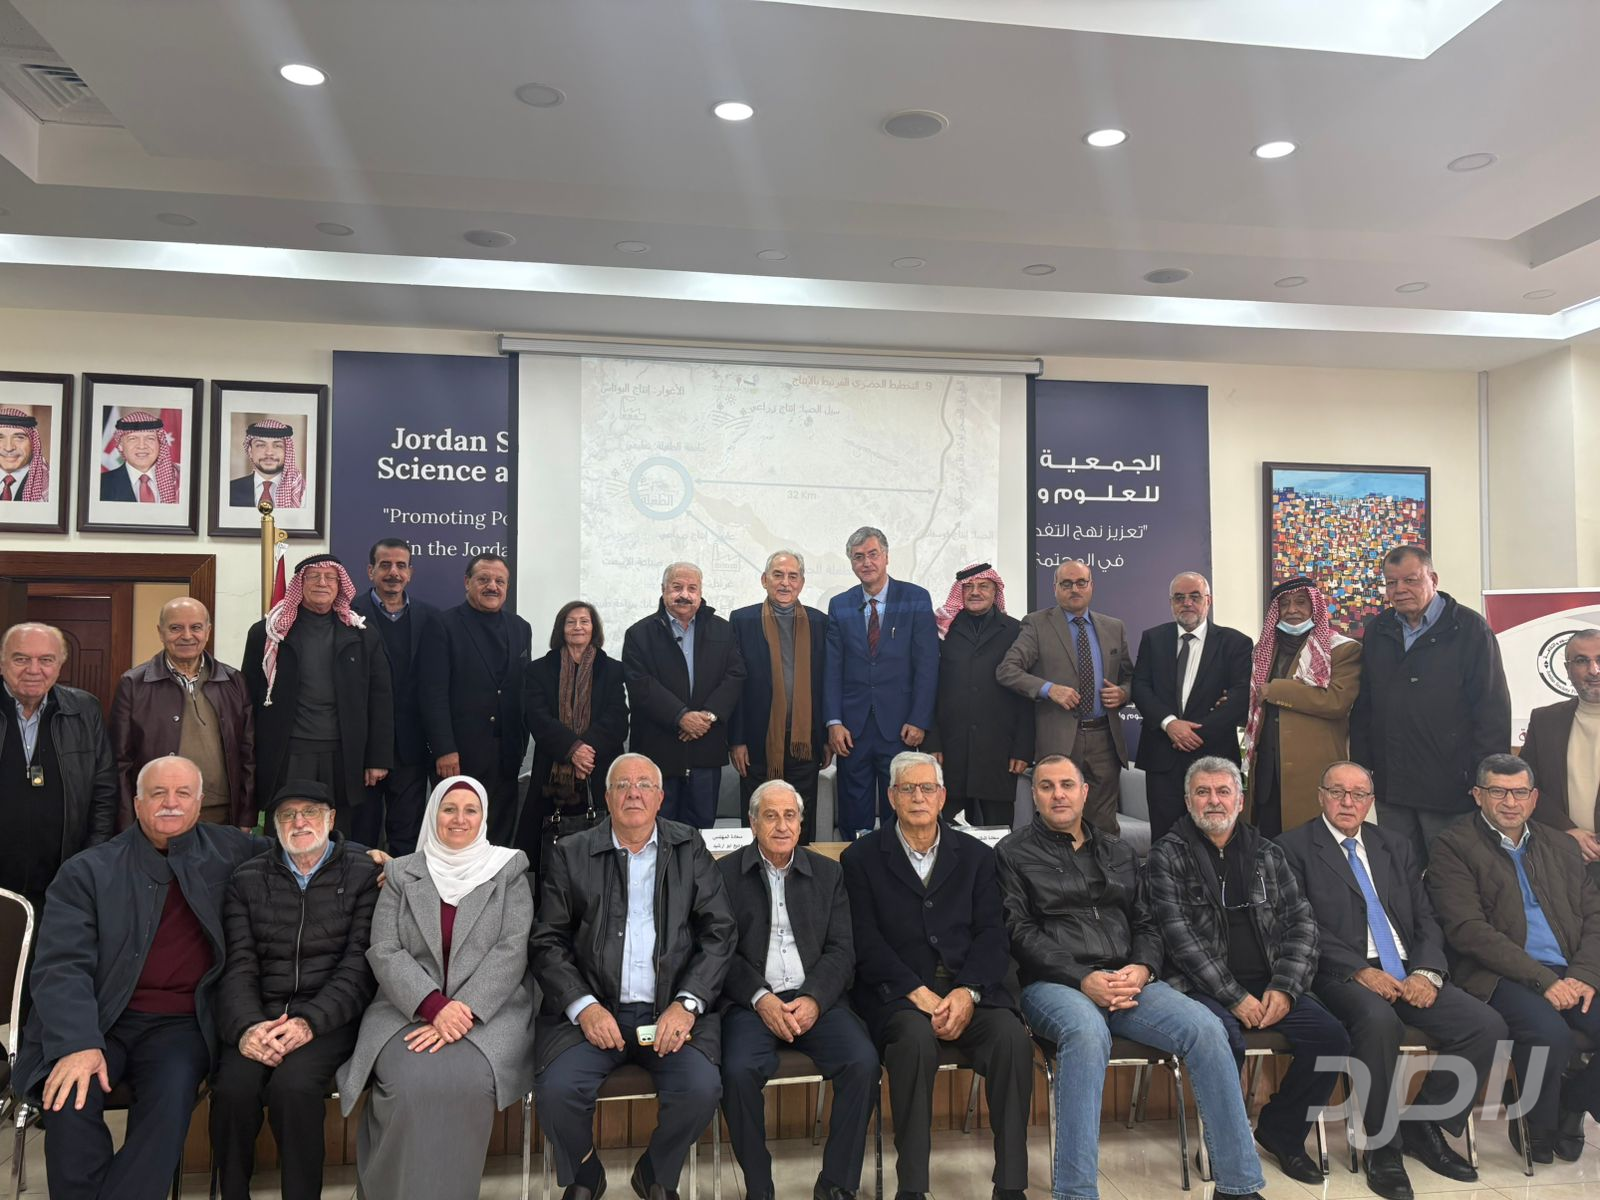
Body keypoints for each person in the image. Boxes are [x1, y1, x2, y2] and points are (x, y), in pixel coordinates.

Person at [998, 755, 1266, 1200]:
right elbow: (1019, 932)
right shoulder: (1012, 853)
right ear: (1034, 796)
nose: (1058, 794)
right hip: (1053, 985)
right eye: (1047, 787)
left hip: (1128, 979)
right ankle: (1076, 1193)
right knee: (1086, 1034)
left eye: (1067, 785)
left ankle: (1237, 1186)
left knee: (1208, 1029)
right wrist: (1083, 978)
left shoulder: (1118, 851)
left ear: (1085, 792)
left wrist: (1143, 968)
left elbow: (1147, 923)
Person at [14, 757, 264, 1200]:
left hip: (181, 1027)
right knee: (69, 1097)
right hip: (100, 1020)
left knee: (171, 1099)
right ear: (137, 803)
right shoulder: (87, 871)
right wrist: (77, 1043)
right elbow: (60, 967)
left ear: (200, 802)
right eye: (158, 794)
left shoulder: (231, 851)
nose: (171, 803)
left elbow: (302, 846)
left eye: (183, 794)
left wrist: (370, 857)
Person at [1277, 761, 1507, 1200]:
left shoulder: (1394, 845)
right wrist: (1360, 970)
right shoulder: (1292, 848)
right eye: (1338, 792)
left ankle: (1423, 1125)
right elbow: (1300, 925)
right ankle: (1382, 1149)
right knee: (1379, 1022)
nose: (1348, 802)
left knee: (1485, 1025)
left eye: (1359, 794)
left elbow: (1427, 917)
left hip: (1407, 968)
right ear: (1321, 796)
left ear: (1371, 801)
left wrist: (1427, 971)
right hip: (1340, 972)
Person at [531, 752, 735, 1200]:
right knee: (557, 1091)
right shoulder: (571, 852)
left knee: (701, 1089)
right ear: (607, 798)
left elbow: (720, 932)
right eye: (622, 785)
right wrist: (584, 1007)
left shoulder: (689, 847)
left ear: (661, 797)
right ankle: (585, 1173)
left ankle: (656, 1172)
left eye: (644, 785)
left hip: (670, 1011)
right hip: (593, 1012)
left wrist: (687, 1003)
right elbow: (547, 941)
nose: (633, 793)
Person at [1145, 756, 1349, 1183]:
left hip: (1270, 982)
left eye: (1224, 792)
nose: (1213, 801)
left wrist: (1286, 988)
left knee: (1331, 1037)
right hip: (1200, 987)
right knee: (1222, 1039)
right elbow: (1179, 939)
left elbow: (1302, 924)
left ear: (1240, 801)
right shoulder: (1167, 854)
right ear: (1188, 801)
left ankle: (1283, 1133)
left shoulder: (1268, 853)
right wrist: (1234, 997)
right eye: (1203, 792)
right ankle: (1228, 1150)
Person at [840, 751, 1030, 1200]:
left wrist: (969, 991)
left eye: (927, 788)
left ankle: (1011, 1185)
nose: (918, 797)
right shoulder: (860, 858)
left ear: (943, 797)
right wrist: (915, 991)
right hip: (898, 995)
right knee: (913, 1042)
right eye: (908, 788)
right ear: (891, 797)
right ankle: (912, 1188)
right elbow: (864, 941)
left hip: (969, 989)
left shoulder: (978, 856)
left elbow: (992, 933)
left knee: (1011, 1040)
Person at [336, 776, 535, 1200]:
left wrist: (462, 1010)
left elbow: (512, 949)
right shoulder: (402, 872)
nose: (459, 819)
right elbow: (384, 949)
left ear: (483, 818)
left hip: (487, 1015)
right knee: (406, 1088)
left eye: (470, 810)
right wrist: (432, 1005)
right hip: (406, 1010)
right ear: (433, 815)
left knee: (469, 1085)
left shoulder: (509, 870)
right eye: (449, 809)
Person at [210, 780, 380, 1200]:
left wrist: (308, 1022)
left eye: (310, 812)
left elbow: (359, 968)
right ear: (274, 825)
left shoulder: (363, 873)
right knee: (232, 1089)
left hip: (329, 1019)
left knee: (294, 1088)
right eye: (287, 815)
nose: (299, 822)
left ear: (331, 818)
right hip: (261, 1014)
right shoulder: (246, 879)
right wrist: (248, 1028)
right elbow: (237, 965)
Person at [1427, 754, 1600, 1165]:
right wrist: (1544, 980)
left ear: (1534, 798)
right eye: (1498, 792)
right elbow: (1467, 929)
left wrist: (1585, 974)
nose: (1510, 802)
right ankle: (1536, 1126)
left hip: (1569, 970)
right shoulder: (1453, 846)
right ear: (1477, 795)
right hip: (1498, 974)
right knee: (1550, 1034)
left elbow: (1595, 916)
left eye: (1519, 792)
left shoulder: (1562, 845)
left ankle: (1571, 1102)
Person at [717, 780, 878, 1200]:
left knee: (862, 1063)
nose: (782, 825)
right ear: (753, 823)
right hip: (752, 1003)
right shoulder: (725, 875)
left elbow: (842, 949)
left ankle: (836, 1184)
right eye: (770, 816)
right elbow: (718, 952)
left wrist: (814, 998)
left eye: (790, 816)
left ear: (801, 823)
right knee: (737, 1072)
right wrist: (761, 998)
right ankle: (759, 1186)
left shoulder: (828, 872)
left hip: (816, 1000)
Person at [1350, 544, 1510, 865]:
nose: (1400, 590)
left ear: (1433, 579)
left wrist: (1486, 779)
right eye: (1391, 583)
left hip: (1452, 787)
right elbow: (1365, 705)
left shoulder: (1470, 630)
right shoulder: (1379, 630)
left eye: (1410, 580)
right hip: (1393, 787)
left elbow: (1491, 710)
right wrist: (1362, 767)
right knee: (1399, 873)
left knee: (1452, 875)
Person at [243, 554, 393, 829]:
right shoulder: (268, 634)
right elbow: (249, 698)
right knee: (290, 828)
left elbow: (380, 699)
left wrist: (378, 757)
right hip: (288, 753)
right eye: (313, 576)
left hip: (344, 754)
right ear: (299, 585)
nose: (322, 583)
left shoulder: (362, 634)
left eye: (330, 577)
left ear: (339, 585)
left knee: (339, 832)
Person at [996, 558, 1132, 833]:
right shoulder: (1037, 624)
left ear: (1091, 586)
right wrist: (1049, 689)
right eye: (1067, 584)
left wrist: (1123, 693)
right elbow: (1007, 670)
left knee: (1103, 825)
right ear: (1055, 588)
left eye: (1081, 583)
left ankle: (1102, 864)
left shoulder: (1114, 627)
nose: (1074, 589)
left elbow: (1130, 677)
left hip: (1104, 739)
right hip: (1058, 739)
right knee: (1056, 821)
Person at [824, 527, 939, 838]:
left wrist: (919, 719)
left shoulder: (915, 598)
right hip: (852, 730)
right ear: (851, 563)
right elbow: (832, 669)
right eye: (858, 557)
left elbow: (927, 665)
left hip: (901, 727)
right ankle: (853, 865)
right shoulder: (840, 604)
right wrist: (834, 722)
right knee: (853, 812)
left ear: (886, 557)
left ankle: (897, 865)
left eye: (873, 554)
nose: (867, 562)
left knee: (901, 808)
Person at [1, 622, 117, 924]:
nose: (33, 669)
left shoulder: (85, 710)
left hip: (64, 879)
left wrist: (91, 860)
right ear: (2, 662)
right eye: (21, 659)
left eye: (46, 659)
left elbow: (104, 793)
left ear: (60, 665)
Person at [110, 596, 254, 830]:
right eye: (176, 628)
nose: (187, 636)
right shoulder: (133, 684)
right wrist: (128, 825)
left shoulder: (233, 681)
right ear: (160, 632)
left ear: (208, 631)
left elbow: (248, 755)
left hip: (222, 817)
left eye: (196, 627)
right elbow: (120, 762)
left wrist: (246, 817)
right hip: (160, 814)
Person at [621, 562, 746, 829]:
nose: (684, 595)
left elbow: (735, 676)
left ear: (700, 593)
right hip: (657, 751)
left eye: (692, 588)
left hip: (705, 748)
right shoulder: (639, 634)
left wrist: (708, 716)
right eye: (677, 587)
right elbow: (640, 684)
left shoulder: (722, 630)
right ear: (663, 589)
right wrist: (681, 716)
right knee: (657, 829)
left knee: (701, 832)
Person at [420, 554, 533, 846]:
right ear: (467, 582)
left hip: (506, 754)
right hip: (459, 755)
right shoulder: (442, 625)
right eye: (484, 579)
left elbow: (522, 689)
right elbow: (432, 693)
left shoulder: (520, 627)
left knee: (500, 834)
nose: (492, 586)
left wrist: (521, 743)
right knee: (457, 833)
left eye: (500, 581)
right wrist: (444, 749)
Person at [1131, 571, 1253, 842]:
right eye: (1179, 598)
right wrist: (1170, 724)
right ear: (1171, 603)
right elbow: (1140, 687)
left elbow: (1241, 697)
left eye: (1195, 596)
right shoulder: (1153, 638)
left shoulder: (1236, 643)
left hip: (1213, 756)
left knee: (1213, 837)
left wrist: (1194, 732)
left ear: (1208, 600)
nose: (1187, 603)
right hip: (1163, 756)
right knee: (1165, 838)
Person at [1241, 576, 1361, 837]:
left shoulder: (1342, 650)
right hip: (1267, 773)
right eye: (1284, 604)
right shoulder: (1264, 650)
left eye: (1300, 602)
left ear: (1315, 606)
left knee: (1312, 848)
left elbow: (1336, 701)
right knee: (1267, 846)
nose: (1292, 610)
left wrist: (1275, 690)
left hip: (1311, 773)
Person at [728, 551, 830, 844]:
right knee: (757, 815)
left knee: (801, 817)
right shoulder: (742, 620)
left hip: (804, 742)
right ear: (764, 580)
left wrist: (825, 737)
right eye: (778, 575)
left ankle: (802, 870)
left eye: (792, 576)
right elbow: (735, 685)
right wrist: (737, 740)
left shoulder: (820, 622)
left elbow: (826, 683)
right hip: (756, 741)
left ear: (802, 583)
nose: (785, 583)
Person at [351, 538, 440, 855]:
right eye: (385, 565)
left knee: (407, 838)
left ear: (410, 572)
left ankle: (400, 889)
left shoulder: (431, 618)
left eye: (401, 565)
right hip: (361, 749)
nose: (393, 572)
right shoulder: (348, 615)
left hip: (410, 750)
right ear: (370, 571)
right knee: (360, 837)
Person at [925, 563, 1032, 827]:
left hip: (998, 751)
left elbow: (1026, 693)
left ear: (996, 591)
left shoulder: (1016, 631)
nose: (975, 592)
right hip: (950, 750)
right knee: (952, 834)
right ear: (959, 593)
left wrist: (1023, 748)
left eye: (983, 586)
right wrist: (932, 742)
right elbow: (928, 688)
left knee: (998, 831)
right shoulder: (941, 631)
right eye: (968, 587)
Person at [523, 600, 630, 861]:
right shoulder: (538, 669)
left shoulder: (612, 669)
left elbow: (618, 718)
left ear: (594, 628)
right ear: (561, 628)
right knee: (549, 849)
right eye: (570, 622)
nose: (577, 627)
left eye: (584, 621)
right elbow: (536, 717)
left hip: (599, 767)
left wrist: (584, 752)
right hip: (553, 769)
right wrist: (572, 750)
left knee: (604, 848)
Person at [1526, 628, 1600, 868]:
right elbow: (1527, 786)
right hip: (1558, 857)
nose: (1594, 670)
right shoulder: (1544, 721)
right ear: (1568, 670)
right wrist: (1567, 832)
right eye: (1582, 661)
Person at [98, 411, 177, 503]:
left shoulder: (179, 482)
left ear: (160, 443)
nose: (142, 446)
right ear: (120, 445)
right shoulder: (101, 484)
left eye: (150, 438)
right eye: (133, 439)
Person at [229, 418, 305, 509]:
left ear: (287, 451)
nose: (269, 452)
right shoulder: (229, 490)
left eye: (277, 446)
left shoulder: (302, 492)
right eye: (261, 445)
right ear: (250, 451)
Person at [0, 405, 50, 501]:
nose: (8, 448)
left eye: (19, 437)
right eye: (0, 438)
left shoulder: (50, 486)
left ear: (33, 443)